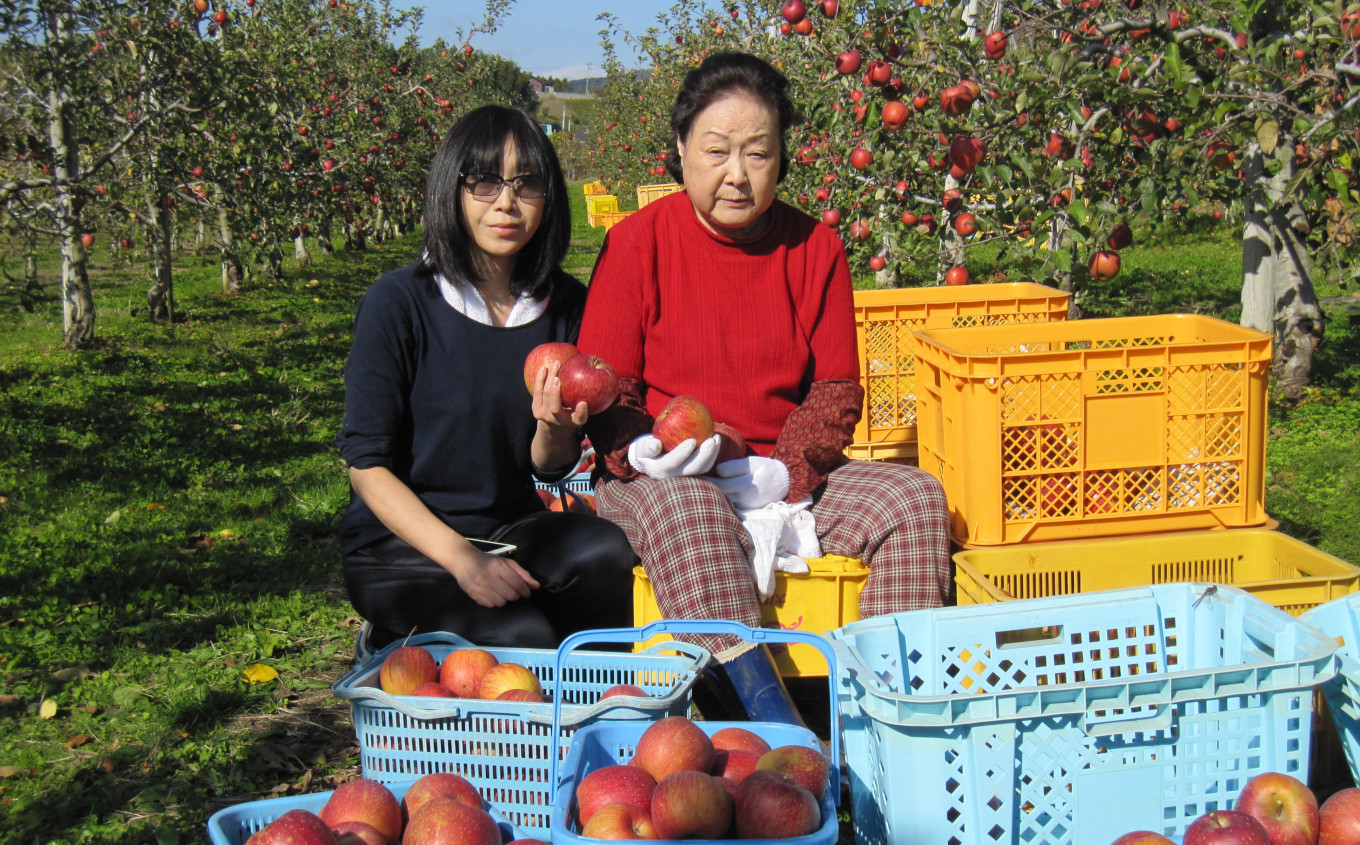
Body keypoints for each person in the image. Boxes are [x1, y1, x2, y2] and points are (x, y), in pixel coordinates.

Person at [578, 52, 952, 725]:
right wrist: (648, 452)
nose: (737, 173)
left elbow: (837, 389)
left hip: (781, 470)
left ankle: (894, 718)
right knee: (692, 510)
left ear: (782, 158)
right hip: (664, 478)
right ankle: (772, 734)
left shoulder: (815, 249)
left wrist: (782, 472)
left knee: (912, 498)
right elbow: (608, 393)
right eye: (717, 150)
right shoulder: (637, 244)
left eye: (758, 152)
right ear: (680, 149)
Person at [337, 104, 636, 652]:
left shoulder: (562, 306)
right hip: (403, 545)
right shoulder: (401, 304)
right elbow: (366, 466)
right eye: (484, 182)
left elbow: (548, 464)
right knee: (517, 639)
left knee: (606, 557)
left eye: (527, 184)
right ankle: (395, 640)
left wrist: (554, 429)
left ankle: (589, 717)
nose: (507, 202)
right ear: (452, 190)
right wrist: (462, 560)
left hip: (507, 527)